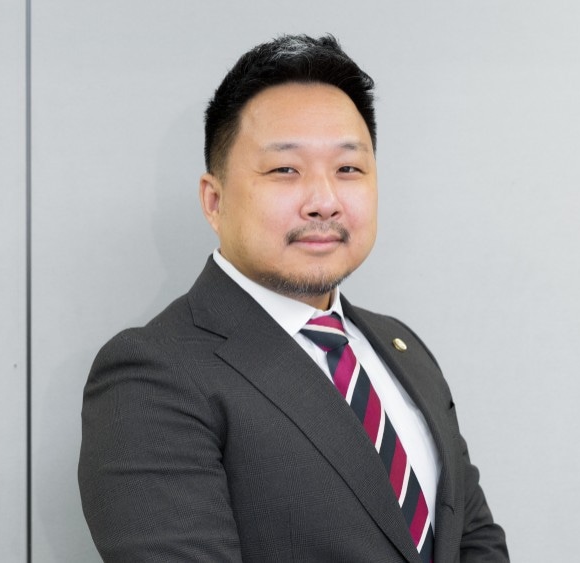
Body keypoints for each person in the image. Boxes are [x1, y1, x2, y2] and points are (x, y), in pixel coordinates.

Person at [78, 34, 510, 563]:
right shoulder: (153, 374)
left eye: (348, 169)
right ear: (214, 201)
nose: (324, 201)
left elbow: (474, 540)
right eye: (286, 170)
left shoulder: (403, 348)